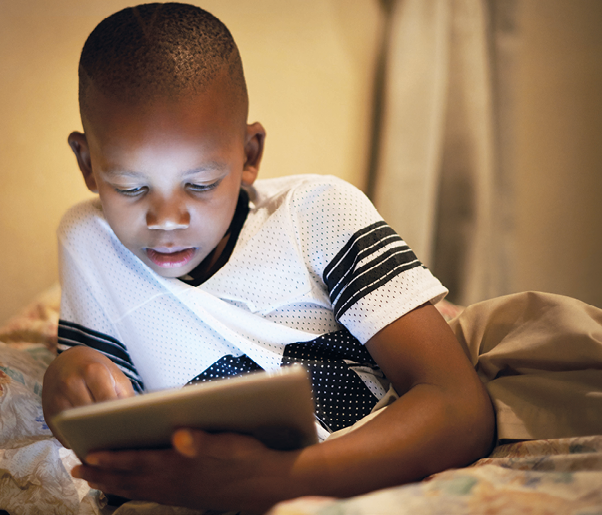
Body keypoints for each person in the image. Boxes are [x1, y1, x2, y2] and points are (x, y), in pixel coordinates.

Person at [42, 3, 495, 513]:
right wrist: (66, 380)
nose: (166, 219)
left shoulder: (316, 212)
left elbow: (460, 408)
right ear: (87, 162)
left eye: (201, 184)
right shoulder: (90, 242)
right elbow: (110, 416)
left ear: (250, 153)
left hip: (354, 461)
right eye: (129, 187)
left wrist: (273, 480)